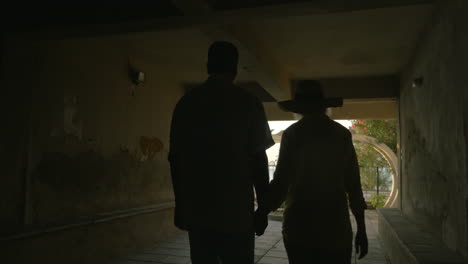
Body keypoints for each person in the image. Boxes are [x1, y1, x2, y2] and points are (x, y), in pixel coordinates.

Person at [168, 41, 274, 264]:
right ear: (235, 68)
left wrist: (181, 205)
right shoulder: (248, 103)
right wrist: (263, 208)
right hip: (236, 213)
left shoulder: (187, 104)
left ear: (208, 65)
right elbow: (258, 159)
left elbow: (176, 159)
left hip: (199, 211)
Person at [255, 80, 368, 264]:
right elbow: (354, 185)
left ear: (299, 108)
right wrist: (361, 229)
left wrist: (262, 212)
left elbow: (281, 182)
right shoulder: (341, 135)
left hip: (300, 228)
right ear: (323, 106)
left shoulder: (293, 134)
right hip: (335, 228)